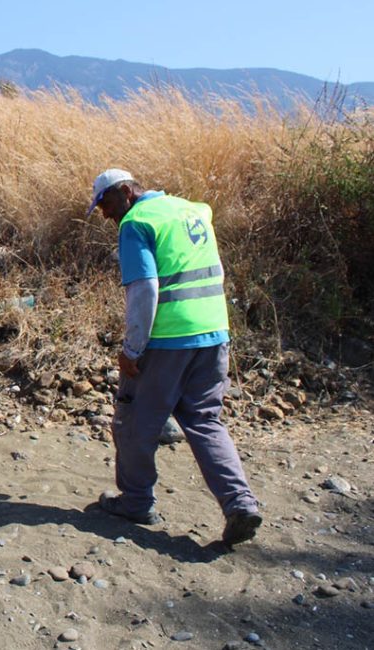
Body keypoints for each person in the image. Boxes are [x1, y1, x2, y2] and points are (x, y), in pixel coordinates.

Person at [87, 168, 262, 547]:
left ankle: (136, 502)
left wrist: (132, 350)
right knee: (205, 422)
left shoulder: (136, 223)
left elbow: (145, 292)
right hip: (214, 333)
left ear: (125, 192)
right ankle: (240, 503)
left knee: (132, 422)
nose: (105, 214)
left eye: (105, 203)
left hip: (167, 340)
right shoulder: (193, 210)